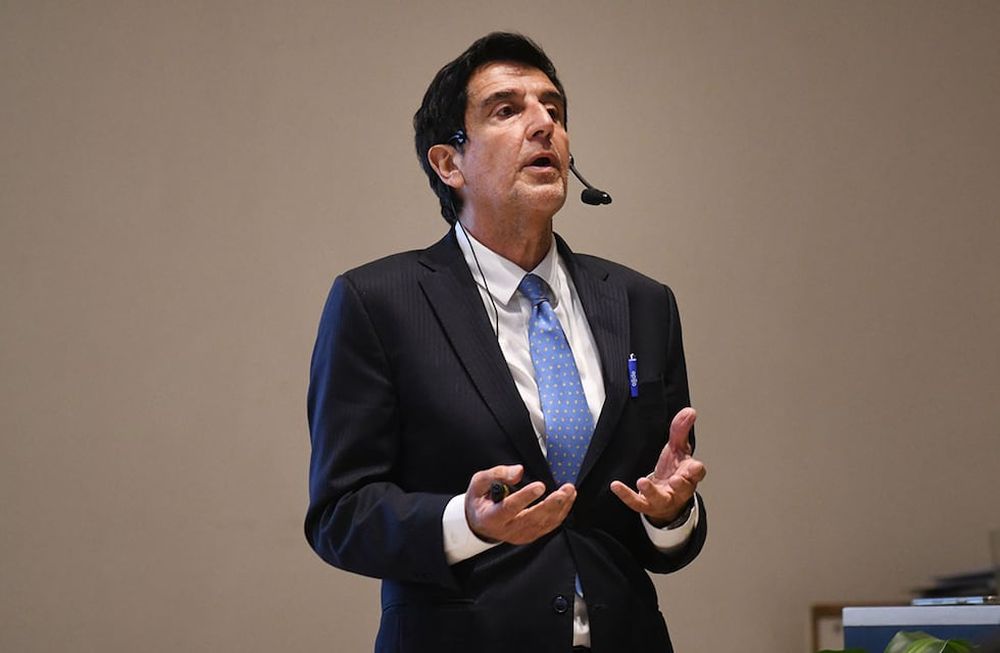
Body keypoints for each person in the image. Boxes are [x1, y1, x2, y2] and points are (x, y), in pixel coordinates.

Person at [306, 32, 707, 653]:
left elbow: (664, 513)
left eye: (554, 108)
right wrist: (465, 523)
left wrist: (670, 514)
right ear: (449, 163)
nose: (544, 123)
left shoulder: (642, 303)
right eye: (506, 109)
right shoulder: (378, 302)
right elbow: (341, 515)